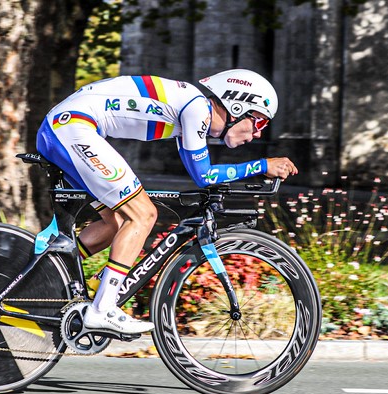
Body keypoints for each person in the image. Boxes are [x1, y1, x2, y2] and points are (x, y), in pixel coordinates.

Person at [36, 69, 298, 335]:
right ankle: (103, 309)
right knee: (142, 215)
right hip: (73, 128)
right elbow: (204, 176)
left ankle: (45, 278)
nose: (257, 134)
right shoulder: (196, 109)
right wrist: (262, 165)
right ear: (237, 107)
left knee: (115, 223)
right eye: (259, 122)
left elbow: (201, 175)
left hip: (64, 128)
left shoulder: (190, 112)